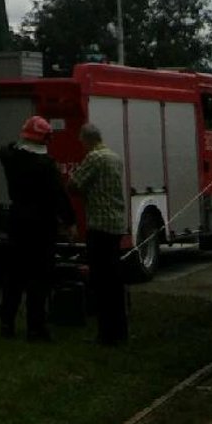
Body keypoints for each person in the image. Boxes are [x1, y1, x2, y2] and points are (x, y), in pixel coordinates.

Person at [0, 114, 76, 341]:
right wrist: (69, 222)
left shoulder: (11, 159)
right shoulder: (46, 166)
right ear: (44, 140)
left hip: (17, 220)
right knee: (39, 277)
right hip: (41, 224)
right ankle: (35, 327)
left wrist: (20, 140)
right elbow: (59, 196)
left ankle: (7, 322)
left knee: (13, 276)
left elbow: (6, 148)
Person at [68, 123, 128, 345]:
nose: (82, 146)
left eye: (82, 141)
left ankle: (106, 334)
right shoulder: (114, 157)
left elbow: (74, 184)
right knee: (114, 280)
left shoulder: (94, 158)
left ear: (87, 139)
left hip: (99, 225)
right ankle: (120, 330)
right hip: (115, 224)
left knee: (101, 281)